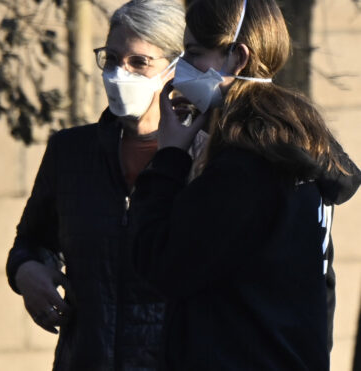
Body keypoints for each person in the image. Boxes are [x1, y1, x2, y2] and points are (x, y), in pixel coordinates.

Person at [130, 0, 361, 369]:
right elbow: (321, 289)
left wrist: (169, 157)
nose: (180, 70)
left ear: (237, 57)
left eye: (193, 54)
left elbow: (159, 264)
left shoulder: (244, 167)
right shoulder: (298, 148)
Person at [5, 1, 185, 369]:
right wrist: (27, 272)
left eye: (139, 62)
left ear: (173, 69)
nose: (120, 73)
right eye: (112, 58)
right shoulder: (71, 152)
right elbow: (32, 241)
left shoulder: (204, 158)